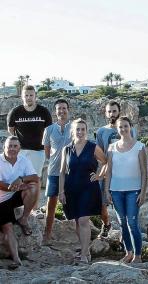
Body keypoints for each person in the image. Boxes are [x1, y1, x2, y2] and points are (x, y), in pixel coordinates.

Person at [59, 119, 107, 263]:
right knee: (77, 222)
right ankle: (85, 250)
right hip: (71, 189)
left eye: (83, 129)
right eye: (77, 129)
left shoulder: (93, 147)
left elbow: (105, 161)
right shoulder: (66, 149)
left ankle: (85, 255)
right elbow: (62, 172)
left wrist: (99, 175)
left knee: (83, 220)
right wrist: (61, 191)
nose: (80, 132)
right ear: (73, 131)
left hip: (88, 188)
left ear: (86, 131)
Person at [104, 117, 147, 263]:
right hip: (116, 190)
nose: (123, 129)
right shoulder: (111, 147)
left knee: (132, 223)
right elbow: (108, 171)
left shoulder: (139, 146)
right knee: (122, 222)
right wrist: (106, 191)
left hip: (134, 190)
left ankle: (138, 256)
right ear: (117, 129)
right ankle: (128, 253)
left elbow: (144, 172)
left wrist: (143, 192)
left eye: (125, 126)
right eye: (120, 127)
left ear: (131, 126)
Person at [96, 101, 136, 238]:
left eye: (114, 111)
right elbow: (99, 152)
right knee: (102, 203)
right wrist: (102, 171)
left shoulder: (128, 128)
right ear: (106, 113)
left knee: (123, 204)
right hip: (107, 170)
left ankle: (124, 233)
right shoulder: (101, 131)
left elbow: (134, 148)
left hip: (124, 172)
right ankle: (106, 224)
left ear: (119, 111)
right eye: (109, 111)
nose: (112, 114)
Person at [7, 85, 52, 203]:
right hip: (20, 152)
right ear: (22, 97)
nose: (29, 98)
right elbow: (11, 129)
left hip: (38, 151)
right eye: (26, 95)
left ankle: (34, 209)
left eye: (31, 95)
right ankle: (19, 206)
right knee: (17, 179)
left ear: (35, 96)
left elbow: (49, 131)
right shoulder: (16, 112)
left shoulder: (43, 112)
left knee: (34, 180)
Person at [0, 136, 39, 269]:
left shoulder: (23, 159)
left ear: (19, 148)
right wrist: (13, 186)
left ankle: (24, 218)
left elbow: (35, 177)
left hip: (14, 195)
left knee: (33, 186)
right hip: (1, 199)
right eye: (9, 146)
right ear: (4, 147)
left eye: (15, 146)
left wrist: (21, 179)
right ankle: (16, 259)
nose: (12, 149)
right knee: (8, 227)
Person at [42, 99, 72, 243]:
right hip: (53, 171)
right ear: (55, 111)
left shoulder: (75, 128)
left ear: (68, 110)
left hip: (71, 172)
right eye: (59, 108)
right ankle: (47, 235)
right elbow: (47, 152)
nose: (62, 111)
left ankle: (78, 237)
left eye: (64, 108)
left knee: (73, 203)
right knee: (51, 203)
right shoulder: (48, 130)